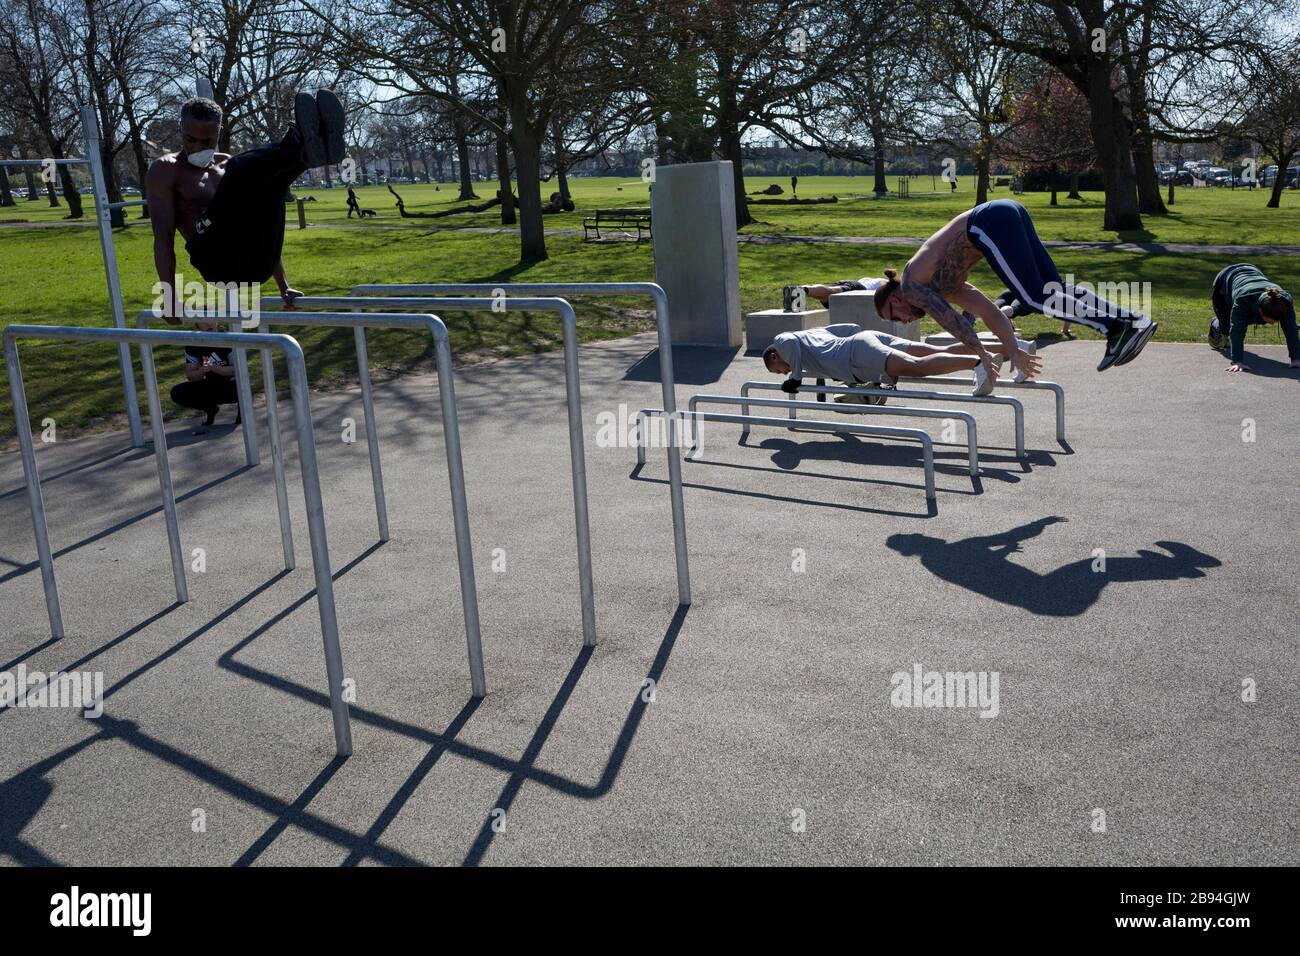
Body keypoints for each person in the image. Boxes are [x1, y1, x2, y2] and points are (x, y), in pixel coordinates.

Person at [874, 199, 1157, 375]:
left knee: (1034, 298)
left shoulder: (911, 285)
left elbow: (952, 322)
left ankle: (1115, 329)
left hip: (987, 223)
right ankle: (1132, 320)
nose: (904, 320)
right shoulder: (949, 287)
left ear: (895, 298)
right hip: (1005, 212)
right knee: (1051, 289)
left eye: (894, 315)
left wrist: (981, 354)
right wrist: (1012, 349)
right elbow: (991, 313)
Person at [145, 90, 347, 319]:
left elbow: (260, 221)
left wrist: (284, 286)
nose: (197, 147)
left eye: (206, 141)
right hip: (217, 263)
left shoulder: (226, 165)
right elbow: (163, 239)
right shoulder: (166, 170)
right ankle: (298, 144)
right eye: (190, 139)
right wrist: (170, 299)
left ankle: (309, 151)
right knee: (242, 168)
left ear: (218, 133)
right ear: (181, 130)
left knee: (268, 185)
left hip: (256, 264)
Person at [762, 322, 1040, 398]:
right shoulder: (813, 334)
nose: (781, 370)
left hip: (857, 353)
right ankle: (1016, 347)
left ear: (774, 356)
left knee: (916, 368)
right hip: (864, 341)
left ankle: (978, 363)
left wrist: (794, 378)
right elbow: (850, 328)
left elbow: (793, 350)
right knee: (928, 350)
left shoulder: (783, 340)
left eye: (777, 369)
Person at [1207, 263, 1299, 373]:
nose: (1274, 323)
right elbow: (1237, 330)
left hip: (1252, 270)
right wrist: (1237, 361)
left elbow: (1291, 329)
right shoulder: (1243, 300)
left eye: (1277, 320)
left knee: (1288, 324)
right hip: (1224, 280)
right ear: (1260, 311)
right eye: (1271, 320)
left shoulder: (1285, 301)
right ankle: (1215, 324)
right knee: (1227, 328)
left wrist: (1296, 359)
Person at [170, 326, 239, 427]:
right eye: (202, 319)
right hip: (210, 385)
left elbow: (237, 370)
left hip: (230, 386)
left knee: (241, 384)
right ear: (197, 323)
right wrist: (202, 370)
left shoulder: (228, 338)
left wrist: (214, 368)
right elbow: (191, 376)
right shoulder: (193, 344)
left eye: (210, 318)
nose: (207, 323)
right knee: (177, 392)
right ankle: (210, 408)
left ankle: (242, 413)